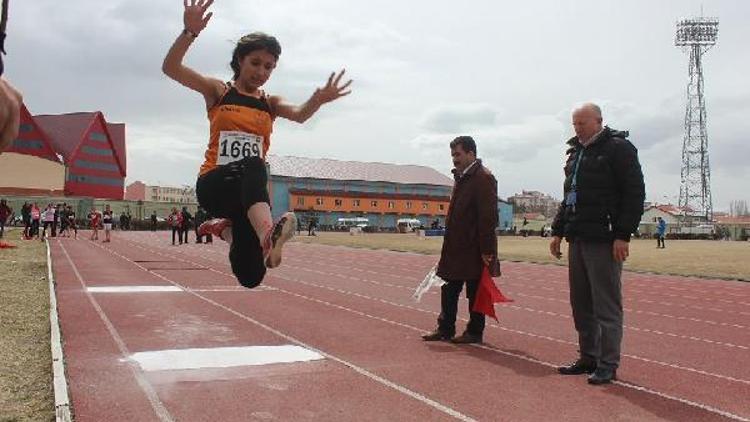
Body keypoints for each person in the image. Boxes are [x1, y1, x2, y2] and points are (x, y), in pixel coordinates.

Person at [162, 0, 351, 288]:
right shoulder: (219, 91)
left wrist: (317, 100)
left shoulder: (269, 103)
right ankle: (267, 234)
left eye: (269, 67)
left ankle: (226, 229)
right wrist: (189, 32)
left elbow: (300, 115)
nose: (261, 72)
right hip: (215, 185)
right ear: (240, 60)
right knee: (255, 163)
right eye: (256, 63)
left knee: (250, 276)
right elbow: (171, 68)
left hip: (248, 198)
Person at [550, 103, 645, 385]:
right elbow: (569, 195)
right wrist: (557, 231)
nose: (577, 128)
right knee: (581, 303)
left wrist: (622, 234)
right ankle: (588, 356)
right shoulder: (576, 153)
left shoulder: (618, 148)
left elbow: (634, 193)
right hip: (577, 237)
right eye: (574, 123)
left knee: (606, 305)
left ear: (599, 121)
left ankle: (608, 363)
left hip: (604, 239)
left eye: (582, 123)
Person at [422, 136, 499, 344]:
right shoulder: (461, 177)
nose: (454, 159)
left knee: (475, 292)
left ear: (471, 154)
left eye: (458, 154)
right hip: (455, 247)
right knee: (448, 288)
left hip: (474, 248)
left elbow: (488, 217)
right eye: (452, 155)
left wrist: (487, 250)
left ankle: (475, 331)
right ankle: (445, 328)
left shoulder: (483, 178)